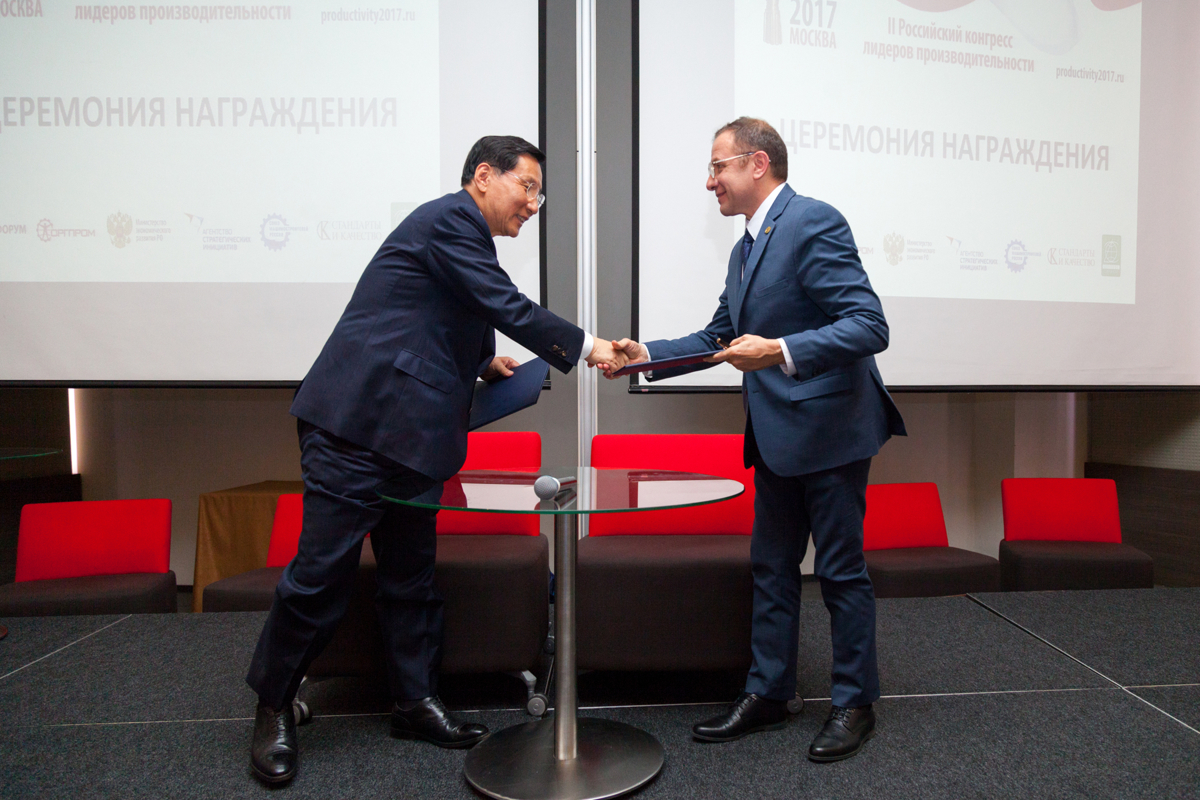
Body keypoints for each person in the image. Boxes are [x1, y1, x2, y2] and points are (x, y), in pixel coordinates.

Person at [246, 135, 628, 785]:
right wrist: (590, 346)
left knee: (411, 580)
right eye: (527, 186)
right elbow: (502, 302)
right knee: (321, 577)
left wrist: (483, 361)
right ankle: (273, 705)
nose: (533, 203)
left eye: (539, 194)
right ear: (483, 176)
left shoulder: (465, 238)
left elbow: (450, 310)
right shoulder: (449, 219)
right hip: (358, 428)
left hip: (415, 440)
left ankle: (414, 702)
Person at [611, 117, 906, 762]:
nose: (709, 181)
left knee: (839, 572)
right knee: (771, 570)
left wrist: (780, 350)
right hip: (776, 436)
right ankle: (769, 692)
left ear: (758, 163)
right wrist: (645, 355)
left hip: (831, 431)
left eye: (718, 166)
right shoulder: (745, 248)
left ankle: (855, 703)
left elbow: (869, 324)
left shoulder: (812, 221)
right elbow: (717, 337)